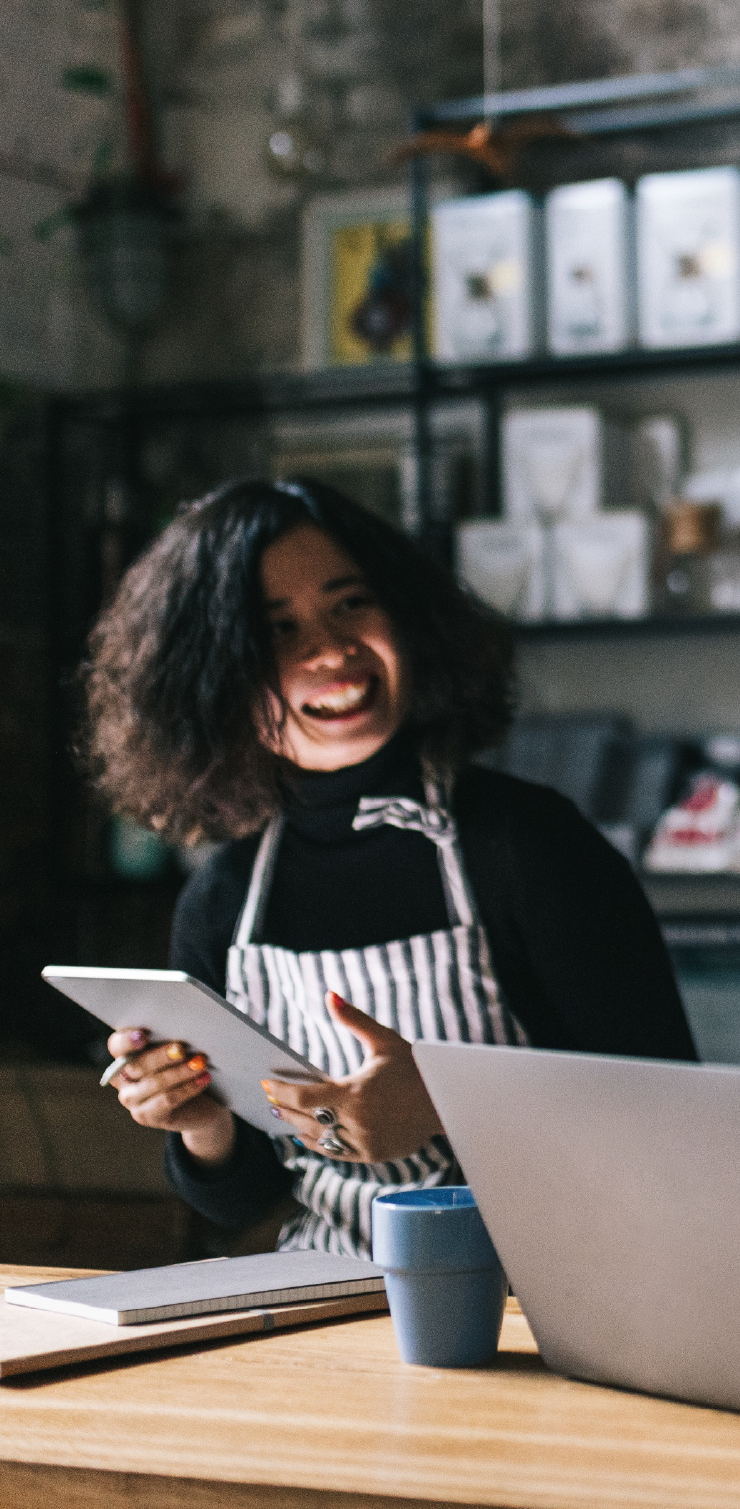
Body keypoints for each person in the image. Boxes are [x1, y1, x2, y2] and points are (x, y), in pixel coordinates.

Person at [83, 478, 696, 1256]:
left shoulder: (529, 844)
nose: (333, 649)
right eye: (277, 630)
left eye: (351, 604)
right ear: (211, 679)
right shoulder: (224, 900)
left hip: (547, 1307)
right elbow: (243, 1201)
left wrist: (447, 1103)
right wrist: (200, 1122)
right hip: (330, 1307)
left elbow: (679, 1119)